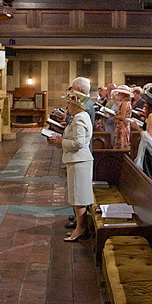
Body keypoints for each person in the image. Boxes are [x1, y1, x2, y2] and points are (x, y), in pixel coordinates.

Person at [47, 83, 93, 242]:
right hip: (78, 160)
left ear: (76, 105)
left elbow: (78, 143)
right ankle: (80, 228)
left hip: (79, 161)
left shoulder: (80, 118)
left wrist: (61, 141)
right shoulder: (80, 116)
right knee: (77, 196)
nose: (67, 107)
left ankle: (80, 229)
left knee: (79, 198)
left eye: (69, 104)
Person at [111, 85, 133, 150]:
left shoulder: (124, 103)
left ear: (123, 94)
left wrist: (114, 116)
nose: (118, 94)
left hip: (122, 126)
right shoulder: (125, 102)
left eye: (119, 93)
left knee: (121, 143)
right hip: (121, 125)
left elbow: (123, 117)